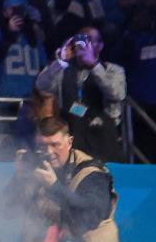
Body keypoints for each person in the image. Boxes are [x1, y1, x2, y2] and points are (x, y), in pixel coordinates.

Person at [35, 27, 126, 163]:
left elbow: (117, 94)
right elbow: (41, 85)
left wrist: (94, 64)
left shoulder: (112, 69)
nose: (83, 45)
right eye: (80, 40)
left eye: (89, 40)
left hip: (102, 134)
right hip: (71, 131)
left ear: (100, 46)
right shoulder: (64, 68)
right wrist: (61, 61)